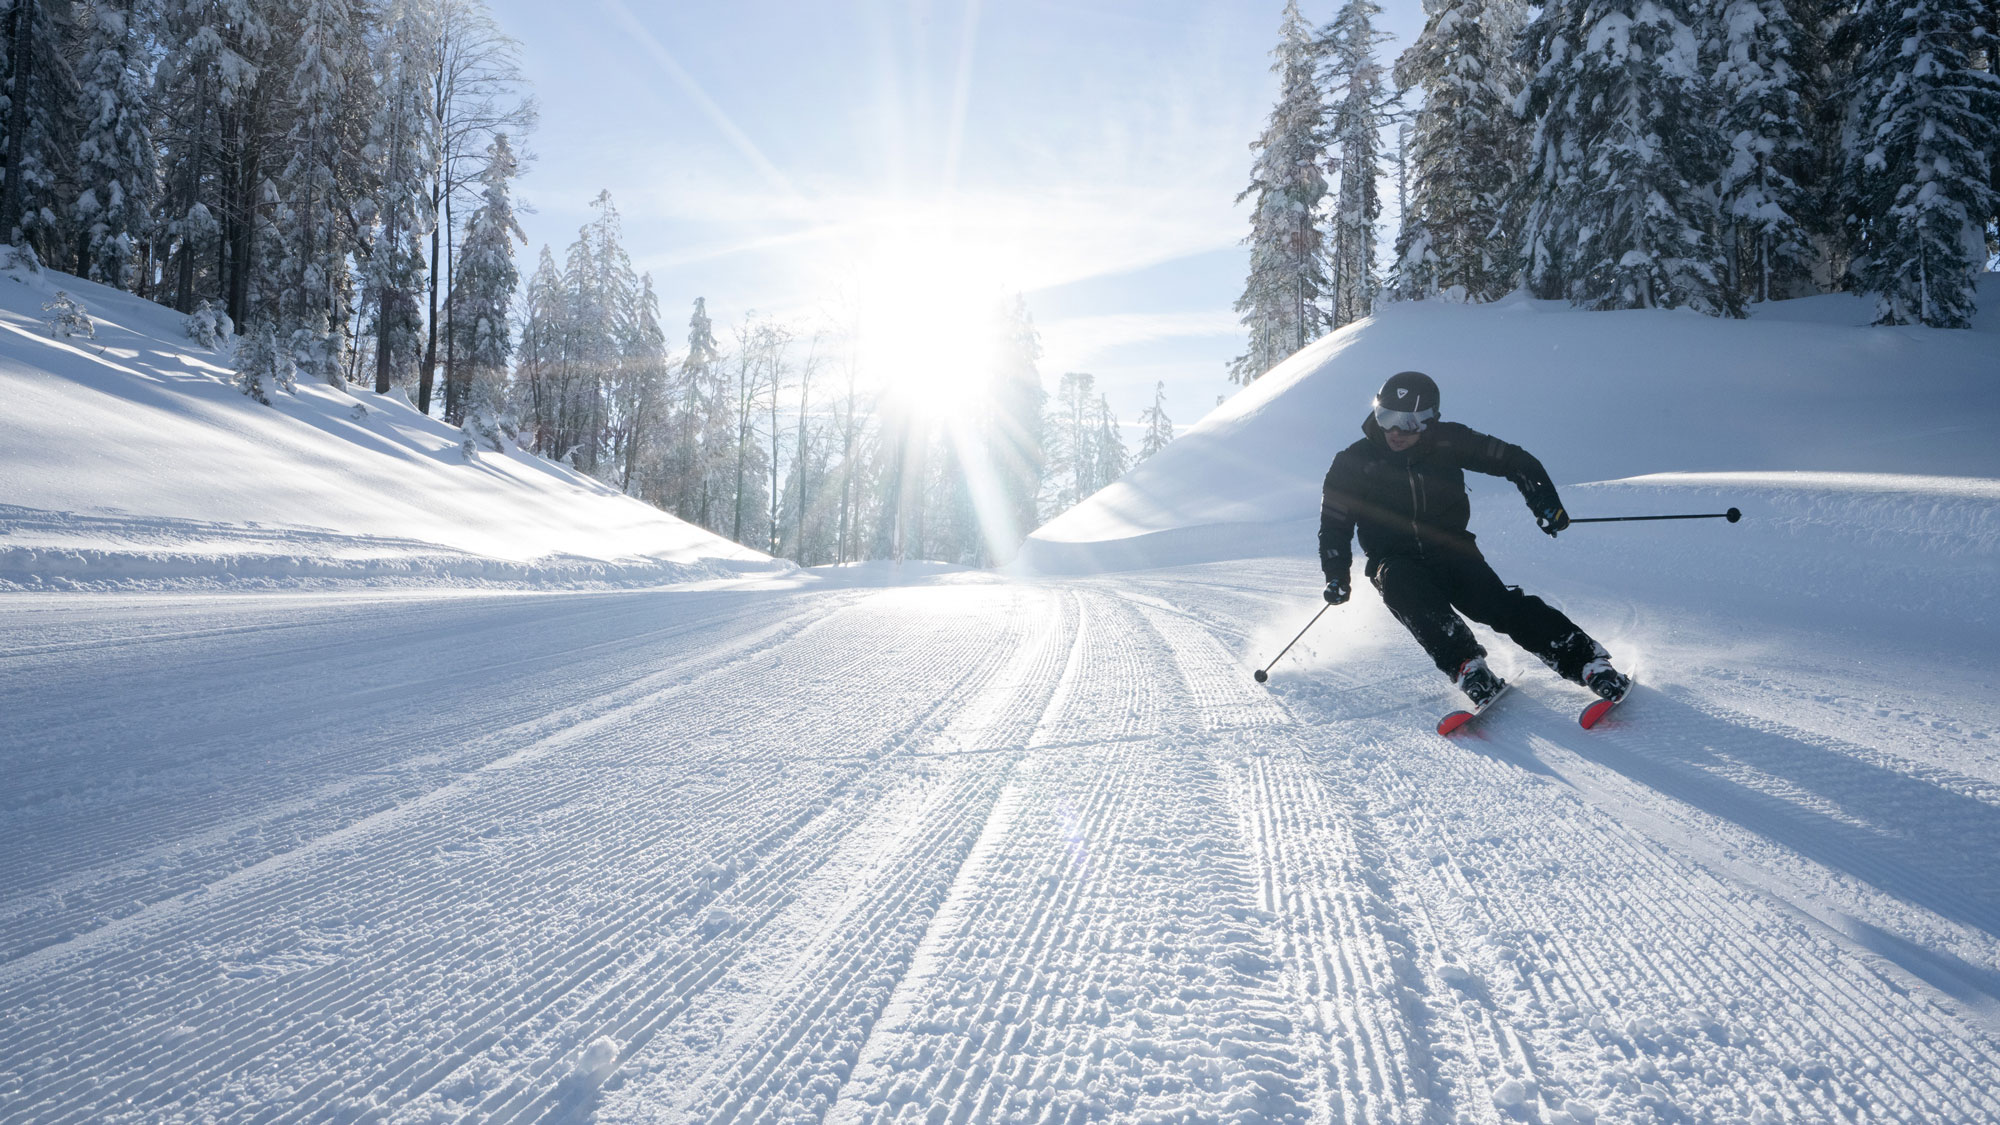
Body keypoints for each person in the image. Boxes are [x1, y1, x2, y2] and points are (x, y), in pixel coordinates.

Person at [1318, 370, 1630, 707]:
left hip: (1452, 549)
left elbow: (1514, 459)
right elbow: (1334, 523)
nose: (1394, 431)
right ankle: (1467, 666)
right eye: (1386, 417)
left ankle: (1587, 662)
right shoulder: (1352, 461)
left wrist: (1544, 502)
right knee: (1406, 591)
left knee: (1497, 605)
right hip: (1393, 559)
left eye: (1407, 423)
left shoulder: (1449, 441)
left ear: (1429, 421)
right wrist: (1336, 575)